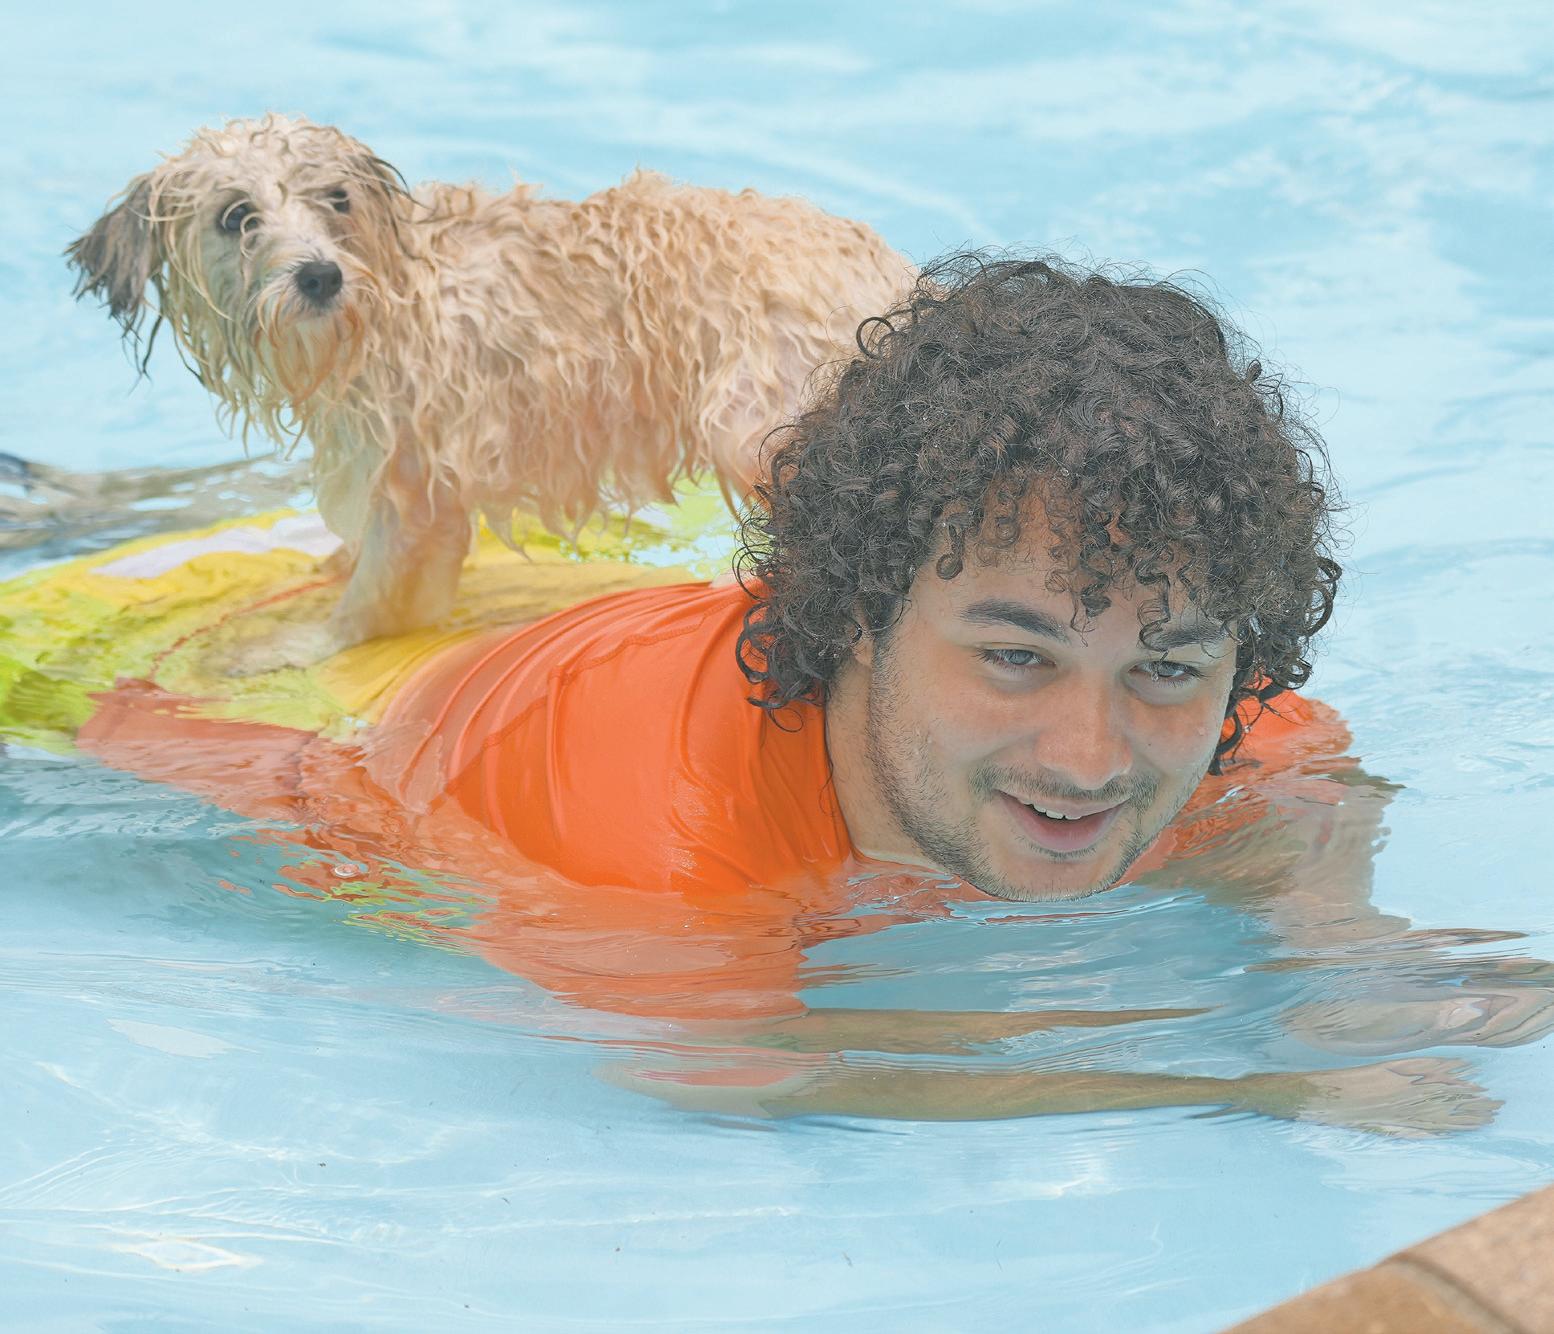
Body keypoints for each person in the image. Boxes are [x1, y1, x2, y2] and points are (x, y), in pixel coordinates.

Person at [71, 253, 1549, 1131]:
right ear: (854, 618)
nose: (1093, 755)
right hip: (279, 718)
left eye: (1165, 670)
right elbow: (762, 1076)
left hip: (588, 604)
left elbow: (1308, 781)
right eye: (1015, 656)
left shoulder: (1201, 704)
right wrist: (1248, 1079)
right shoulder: (657, 849)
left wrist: (1337, 952)